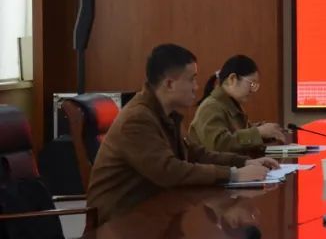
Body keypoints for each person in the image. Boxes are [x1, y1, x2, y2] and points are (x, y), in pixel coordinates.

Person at [87, 44, 278, 223]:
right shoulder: (137, 119)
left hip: (153, 213)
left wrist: (243, 162)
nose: (197, 86)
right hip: (120, 224)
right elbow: (170, 171)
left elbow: (196, 153)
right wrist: (234, 175)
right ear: (169, 84)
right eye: (192, 79)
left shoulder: (165, 113)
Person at [188, 54, 287, 154]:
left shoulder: (231, 105)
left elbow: (240, 134)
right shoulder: (211, 106)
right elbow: (218, 144)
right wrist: (259, 132)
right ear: (232, 79)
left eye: (255, 86)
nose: (253, 90)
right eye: (251, 84)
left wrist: (266, 131)